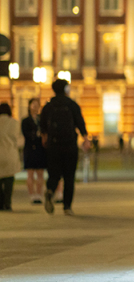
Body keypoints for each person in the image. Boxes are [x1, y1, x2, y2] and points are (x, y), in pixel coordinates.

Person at [40, 78, 89, 216]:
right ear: (66, 89)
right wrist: (85, 139)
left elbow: (42, 126)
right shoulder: (72, 104)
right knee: (69, 176)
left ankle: (50, 190)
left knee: (54, 173)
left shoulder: (48, 106)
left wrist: (45, 139)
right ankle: (67, 207)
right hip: (69, 145)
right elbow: (80, 122)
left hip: (53, 145)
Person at [22, 98, 46, 204]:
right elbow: (26, 134)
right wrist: (36, 135)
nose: (35, 108)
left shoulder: (42, 120)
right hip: (30, 149)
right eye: (33, 105)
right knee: (30, 173)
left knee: (40, 173)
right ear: (29, 106)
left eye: (37, 105)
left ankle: (39, 194)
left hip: (40, 149)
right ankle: (32, 195)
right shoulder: (26, 121)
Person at [0, 102, 23, 211]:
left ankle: (0, 203)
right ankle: (7, 203)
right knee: (9, 179)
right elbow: (16, 138)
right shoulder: (14, 123)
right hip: (10, 153)